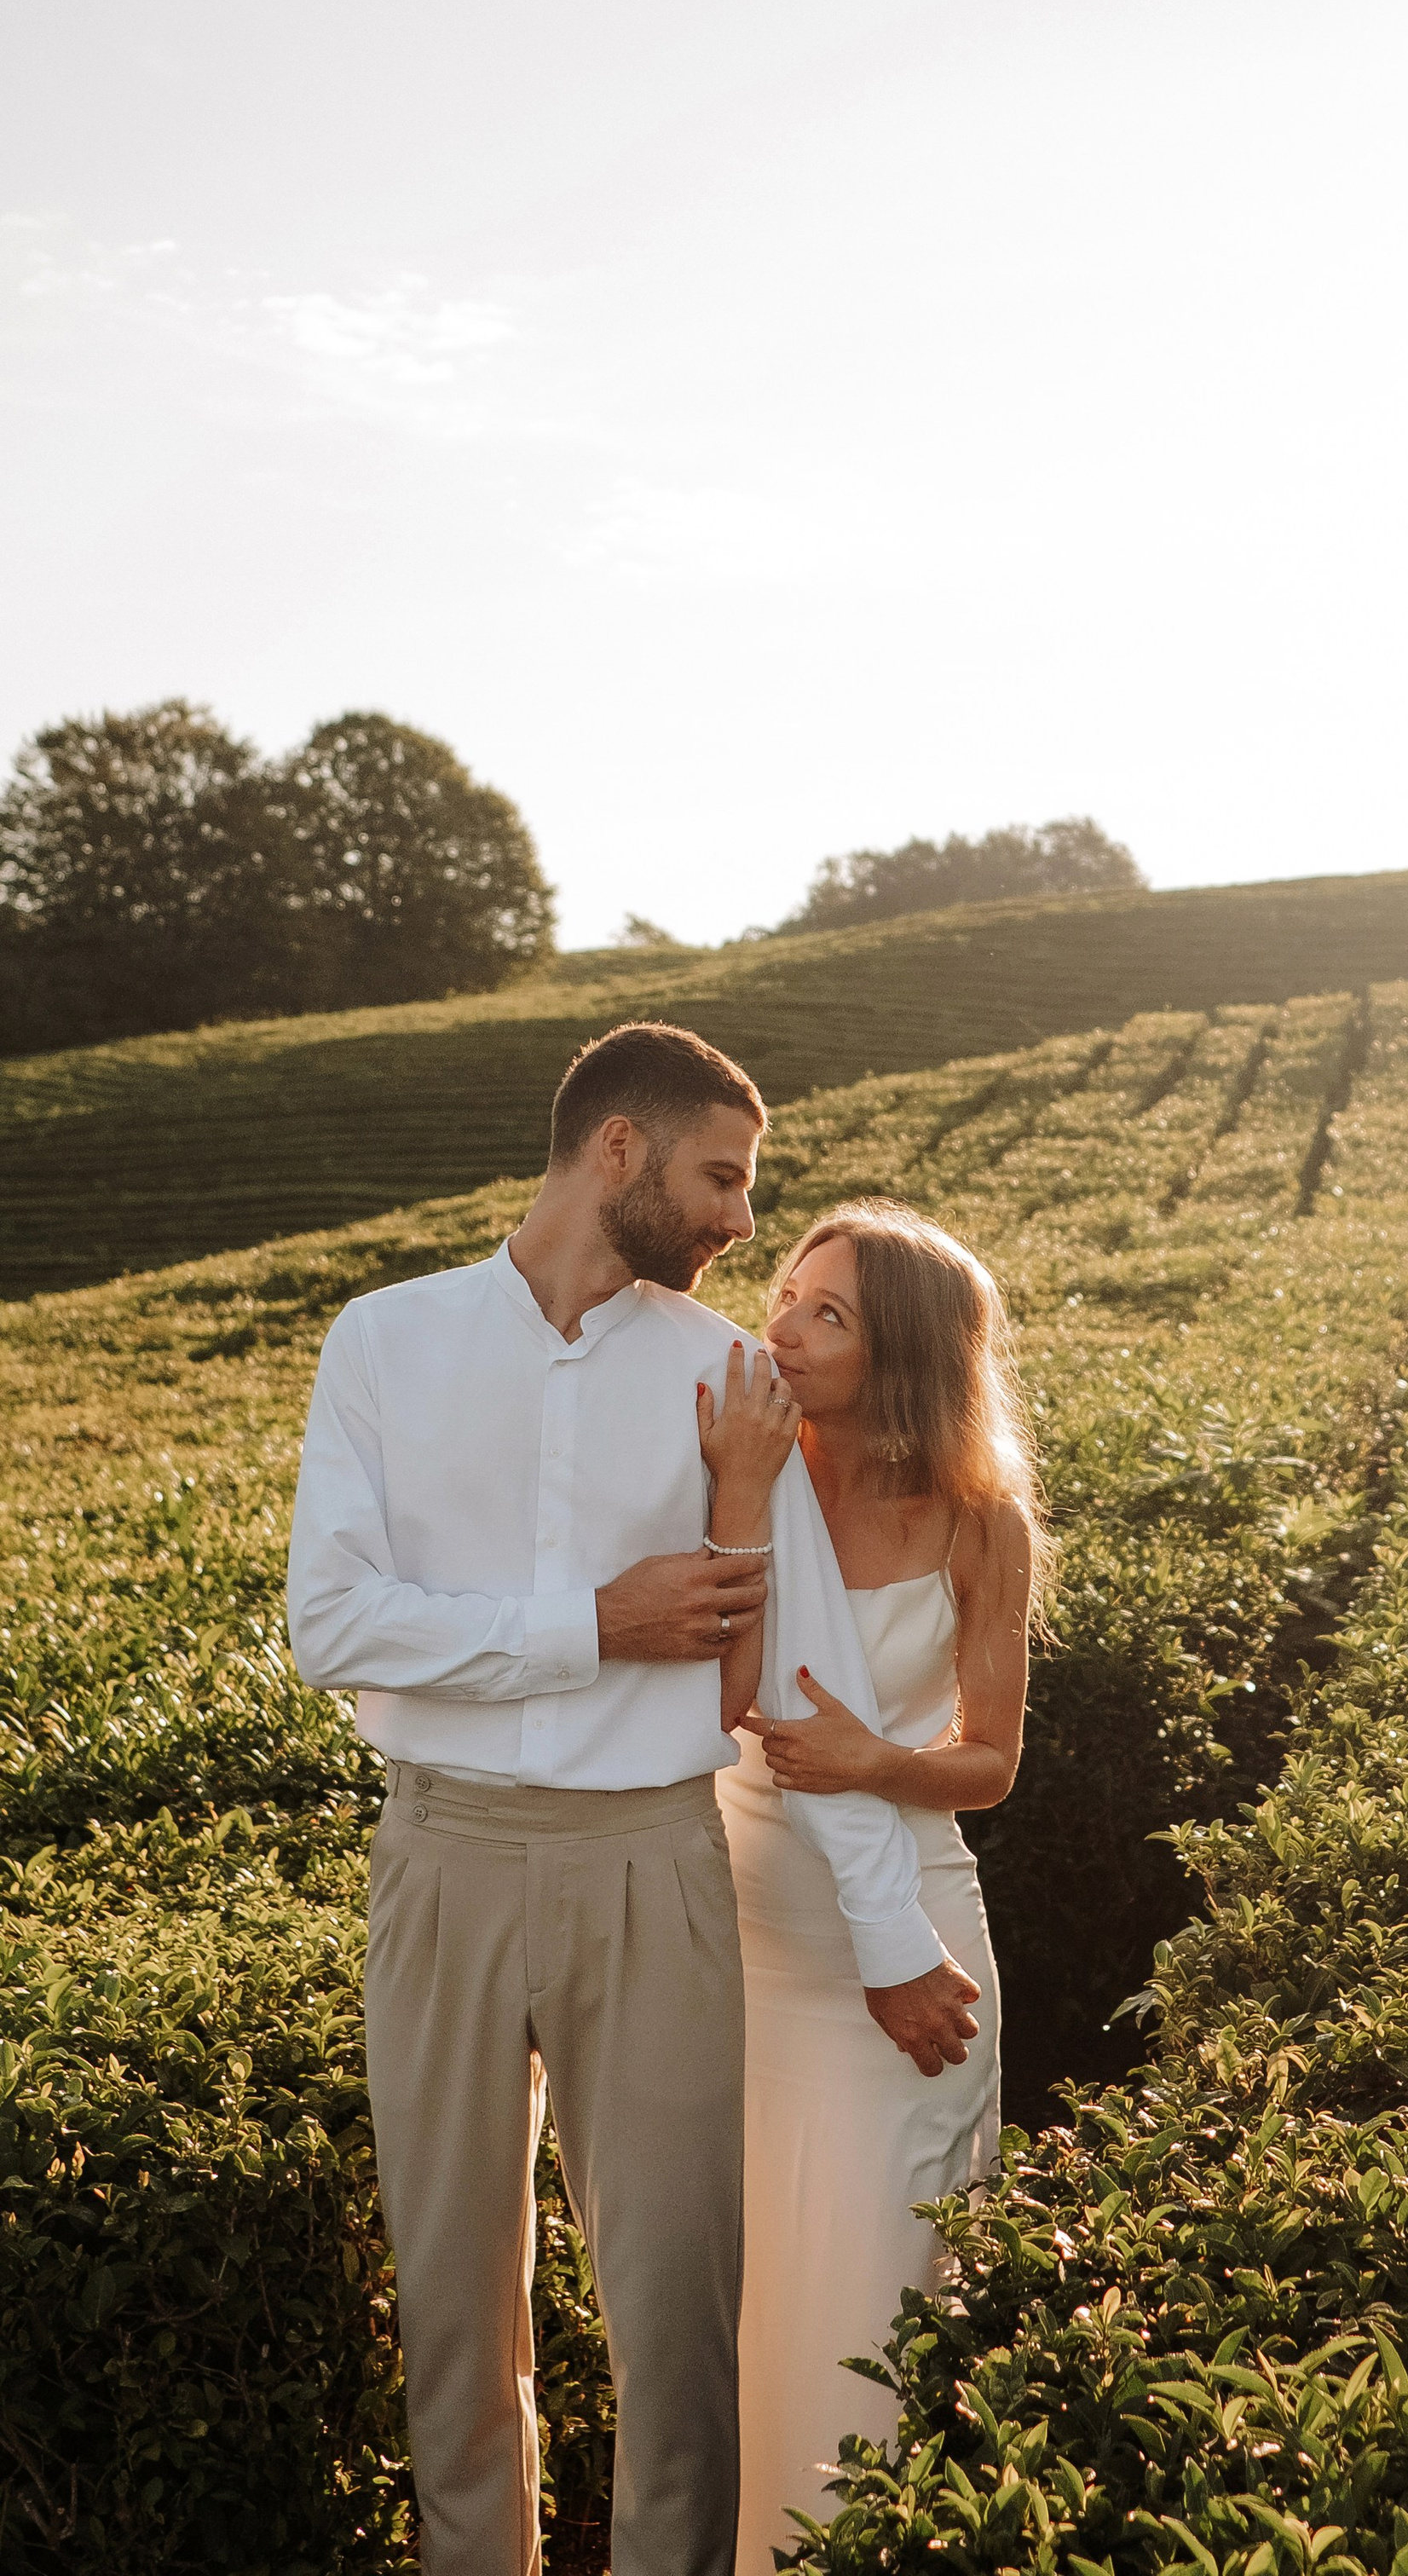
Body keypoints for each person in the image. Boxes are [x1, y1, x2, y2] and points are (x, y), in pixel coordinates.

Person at [286, 1022, 978, 2576]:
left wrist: (886, 1932)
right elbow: (331, 1624)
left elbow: (808, 1682)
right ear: (618, 1151)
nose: (742, 1221)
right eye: (723, 1177)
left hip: (656, 1864)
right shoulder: (382, 1343)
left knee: (677, 2321)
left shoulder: (729, 1377)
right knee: (458, 2314)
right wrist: (592, 1624)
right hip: (442, 1857)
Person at [711, 1198, 1047, 2571]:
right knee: (739, 2308)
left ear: (900, 1352)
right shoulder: (734, 1458)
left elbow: (993, 1767)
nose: (781, 1323)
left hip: (907, 1939)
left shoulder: (982, 1521)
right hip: (736, 1934)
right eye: (788, 1292)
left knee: (864, 2321)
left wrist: (869, 1760)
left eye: (825, 1311)